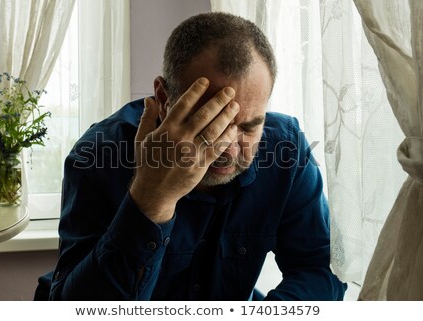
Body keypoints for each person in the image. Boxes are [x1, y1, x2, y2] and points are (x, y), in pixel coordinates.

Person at [36, 12, 346, 300]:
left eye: (249, 128)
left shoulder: (285, 148)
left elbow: (320, 268)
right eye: (211, 123)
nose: (228, 148)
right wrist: (150, 198)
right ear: (163, 98)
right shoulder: (97, 156)